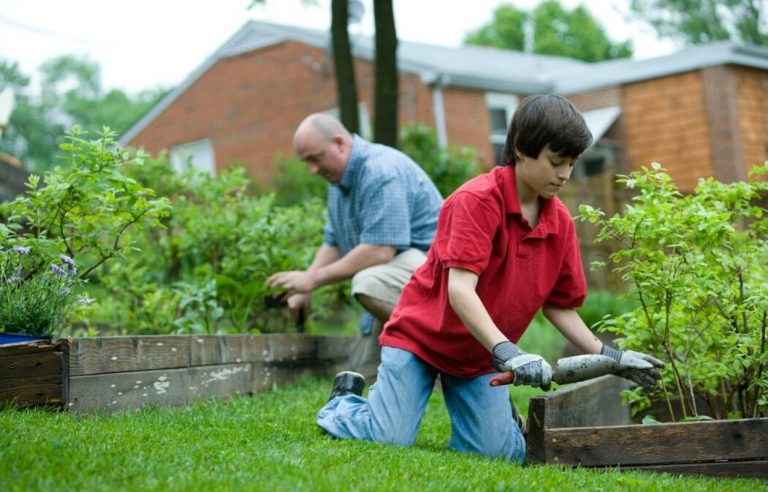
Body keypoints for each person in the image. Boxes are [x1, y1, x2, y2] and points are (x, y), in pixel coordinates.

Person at [316, 95, 663, 463]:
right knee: (387, 438)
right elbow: (460, 291)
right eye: (556, 162)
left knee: (498, 455)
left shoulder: (559, 222)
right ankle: (345, 402)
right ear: (520, 150)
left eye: (572, 164)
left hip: (480, 356)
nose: (564, 174)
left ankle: (500, 422)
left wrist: (613, 357)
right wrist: (510, 353)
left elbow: (559, 308)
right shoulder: (475, 201)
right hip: (420, 341)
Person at [267, 113, 444, 381]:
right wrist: (303, 286)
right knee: (361, 374)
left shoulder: (380, 171)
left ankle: (442, 356)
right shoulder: (338, 183)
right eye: (306, 163)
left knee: (368, 282)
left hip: (438, 278)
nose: (312, 170)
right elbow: (334, 241)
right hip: (399, 278)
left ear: (340, 143)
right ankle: (415, 364)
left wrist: (313, 279)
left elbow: (380, 250)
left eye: (315, 158)